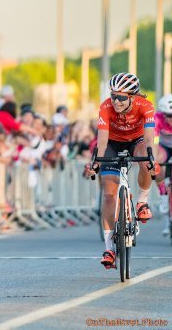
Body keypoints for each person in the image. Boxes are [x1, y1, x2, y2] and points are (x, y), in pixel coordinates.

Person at [86, 72, 158, 269]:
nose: (116, 101)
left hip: (137, 141)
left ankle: (142, 202)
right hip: (112, 143)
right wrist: (96, 163)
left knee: (146, 159)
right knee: (109, 194)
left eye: (121, 97)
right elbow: (101, 142)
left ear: (133, 97)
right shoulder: (106, 107)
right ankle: (109, 247)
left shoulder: (146, 106)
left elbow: (150, 139)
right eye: (113, 95)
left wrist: (151, 159)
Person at [154, 94, 172, 236]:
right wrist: (153, 160)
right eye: (168, 115)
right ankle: (163, 194)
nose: (170, 118)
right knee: (157, 161)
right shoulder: (157, 118)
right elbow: (153, 141)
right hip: (164, 147)